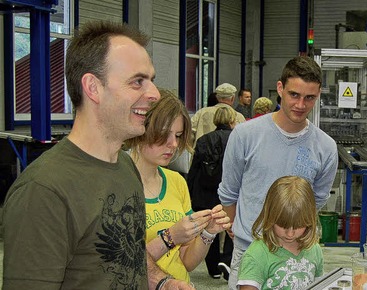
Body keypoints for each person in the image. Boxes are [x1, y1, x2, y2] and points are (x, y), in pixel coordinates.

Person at [2, 21, 190, 289]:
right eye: (138, 81)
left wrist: (161, 282)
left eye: (152, 81)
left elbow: (126, 258)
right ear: (92, 87)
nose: (154, 94)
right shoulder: (44, 190)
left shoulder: (125, 167)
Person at [218, 56, 338, 290]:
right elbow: (229, 192)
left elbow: (318, 199)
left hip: (299, 256)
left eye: (309, 98)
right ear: (280, 88)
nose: (301, 105)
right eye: (294, 95)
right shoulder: (245, 135)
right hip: (249, 251)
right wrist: (237, 231)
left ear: (319, 94)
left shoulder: (326, 147)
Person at [124, 92, 231, 284]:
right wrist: (170, 237)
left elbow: (187, 262)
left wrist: (208, 232)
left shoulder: (176, 182)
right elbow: (120, 263)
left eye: (178, 135)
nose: (173, 144)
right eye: (164, 134)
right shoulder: (117, 185)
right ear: (142, 128)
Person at [237, 176, 323, 290]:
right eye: (283, 225)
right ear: (270, 217)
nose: (290, 234)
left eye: (298, 226)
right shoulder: (256, 254)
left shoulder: (314, 250)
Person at [187, 106, 237, 280]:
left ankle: (213, 268)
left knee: (210, 230)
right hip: (230, 193)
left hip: (205, 192)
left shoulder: (203, 140)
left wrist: (190, 193)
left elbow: (194, 169)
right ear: (232, 120)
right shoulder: (236, 139)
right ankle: (229, 261)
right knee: (233, 226)